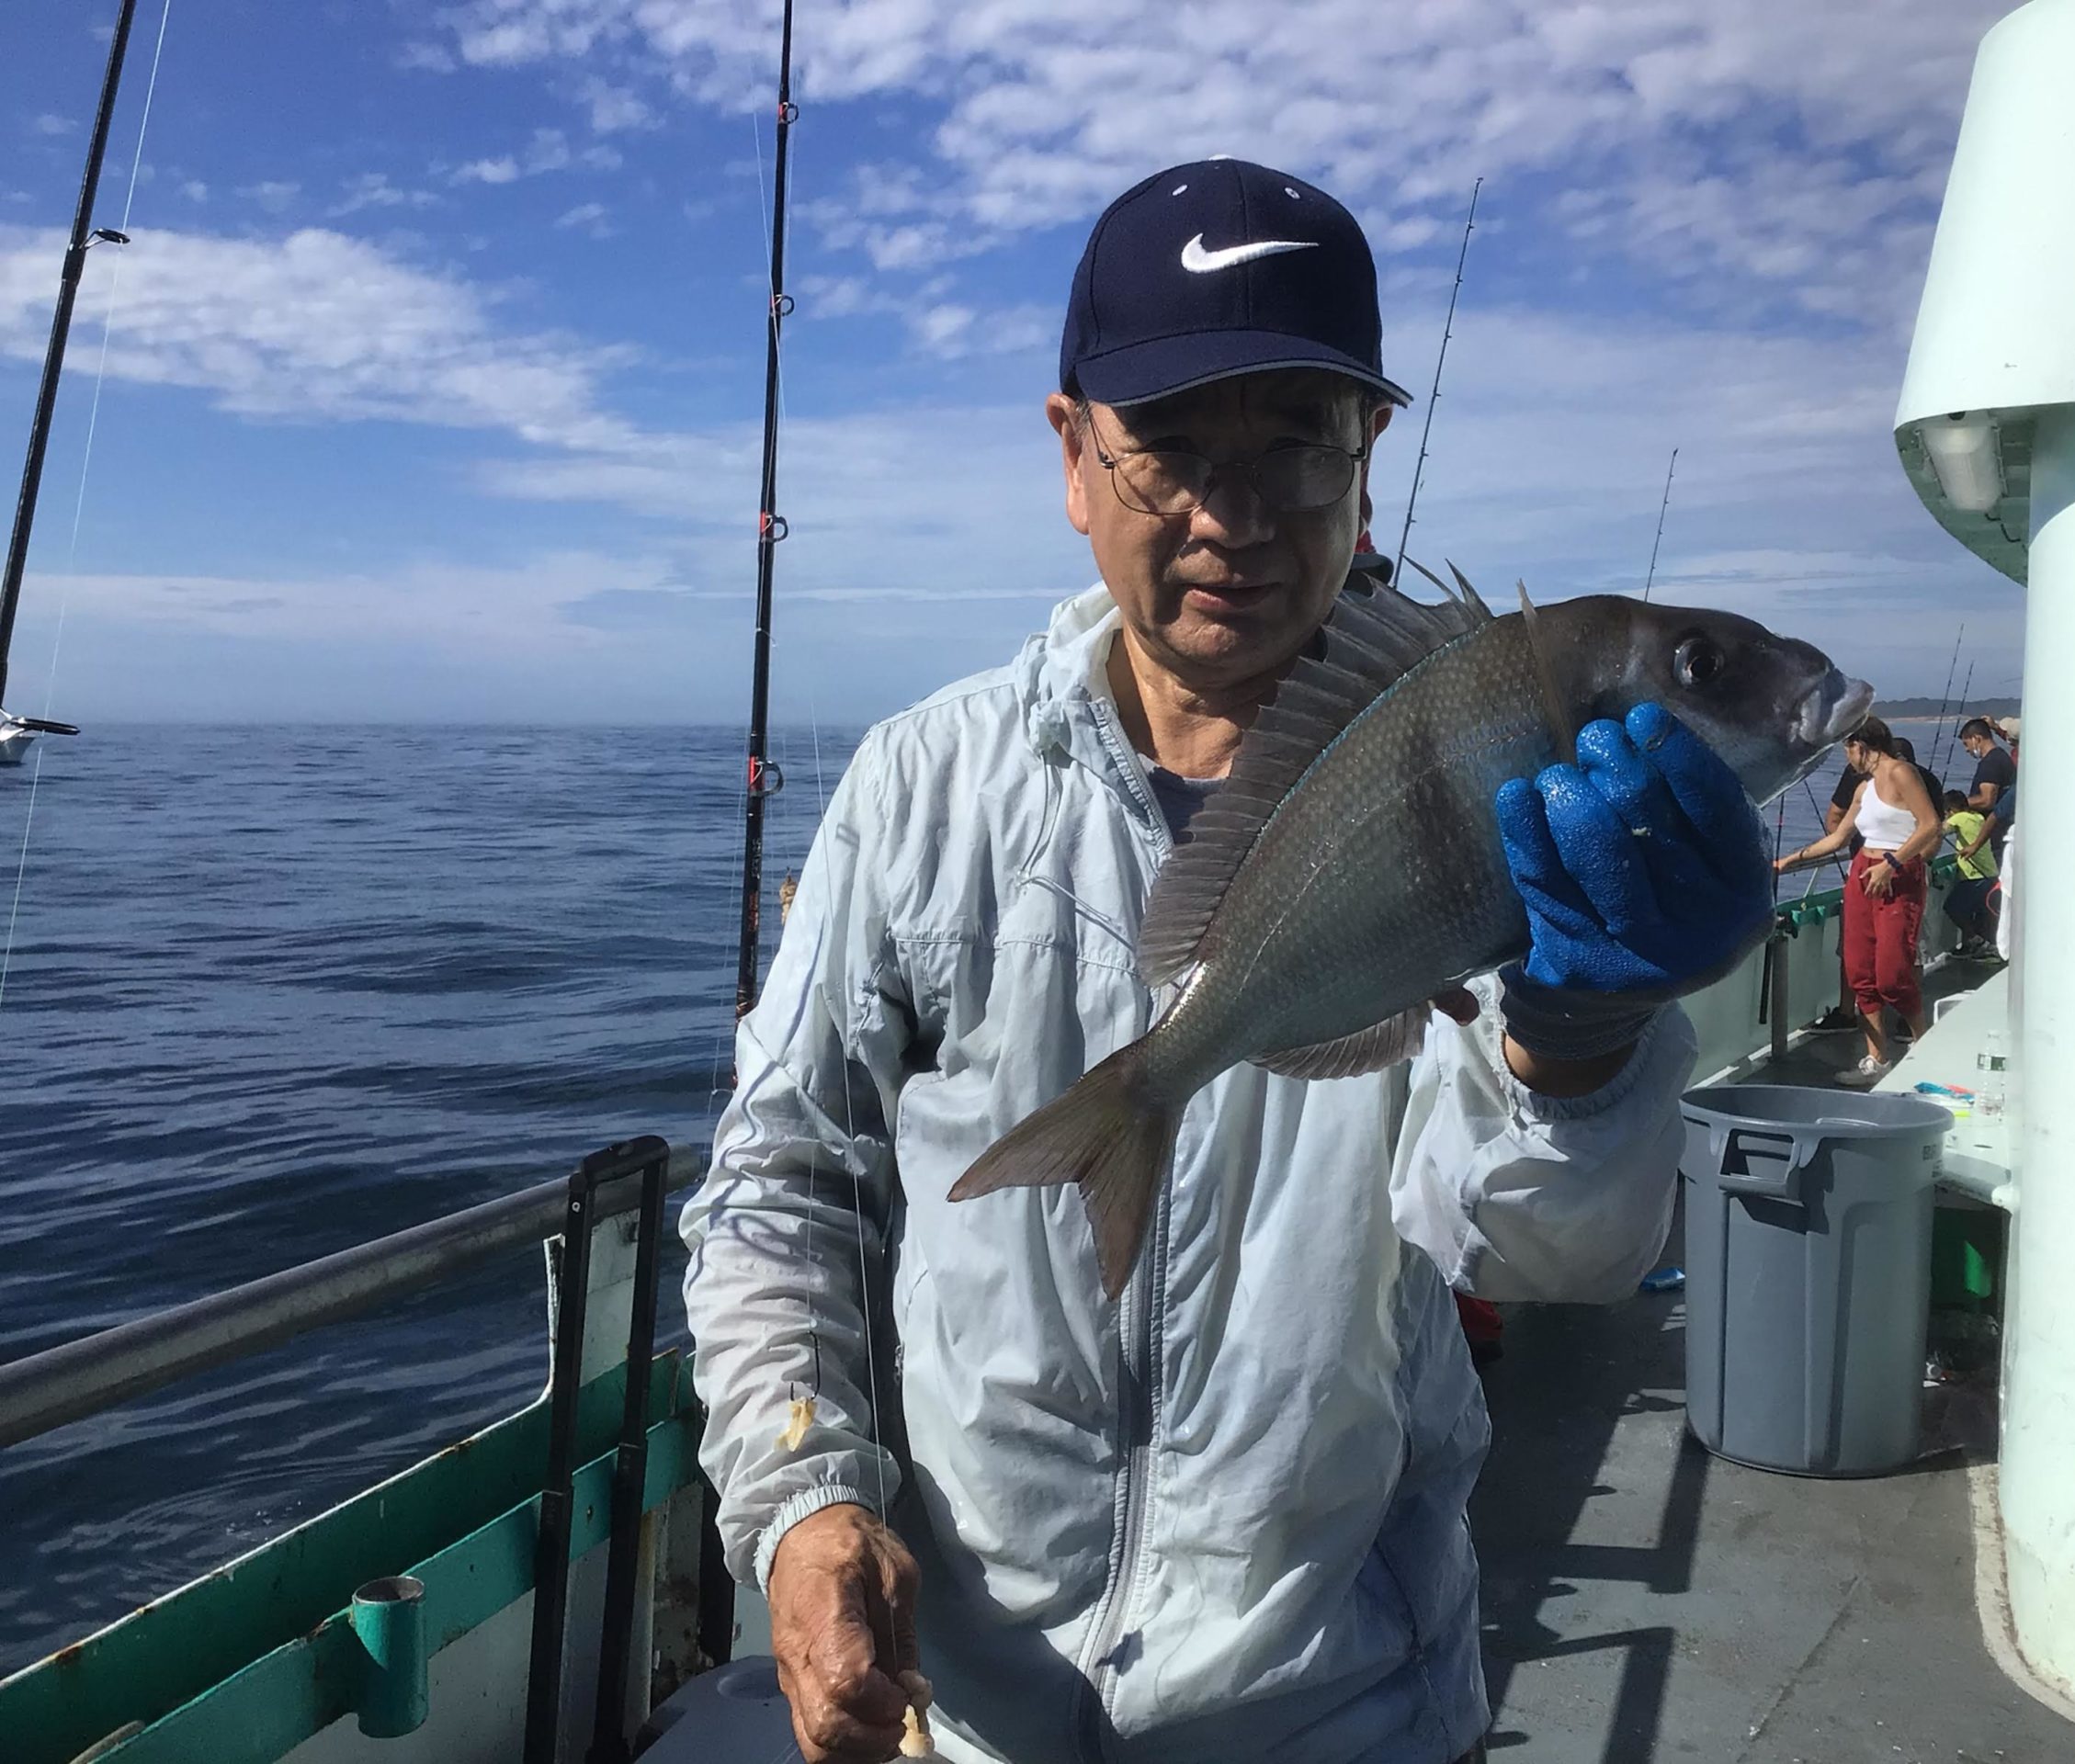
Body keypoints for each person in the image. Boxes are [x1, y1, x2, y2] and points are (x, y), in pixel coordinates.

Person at [682, 158, 1774, 1764]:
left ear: (1368, 460)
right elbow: (782, 1178)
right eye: (1174, 450)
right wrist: (803, 1503)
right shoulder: (921, 787)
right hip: (966, 1717)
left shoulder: (1513, 792)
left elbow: (1549, 1259)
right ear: (1074, 455)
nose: (1234, 516)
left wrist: (1584, 1033)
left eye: (1294, 447)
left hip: (1345, 1716)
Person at [1775, 717, 1942, 1086]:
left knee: (1893, 975)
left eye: (1847, 749)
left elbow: (1930, 824)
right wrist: (1791, 860)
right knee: (1860, 971)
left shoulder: (1901, 772)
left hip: (1898, 875)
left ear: (1860, 745)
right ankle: (1876, 1058)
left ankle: (1924, 1044)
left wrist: (1893, 862)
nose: (1846, 758)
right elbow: (1837, 840)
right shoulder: (1863, 789)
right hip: (1862, 875)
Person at [1941, 788, 1999, 954]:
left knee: (1953, 908)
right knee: (1977, 913)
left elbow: (1941, 830)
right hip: (1990, 874)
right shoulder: (1979, 817)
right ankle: (1973, 945)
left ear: (1950, 811)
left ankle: (1976, 940)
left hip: (1975, 876)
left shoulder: (1958, 818)